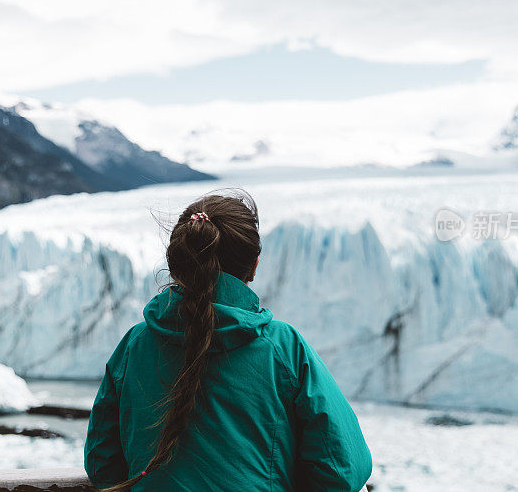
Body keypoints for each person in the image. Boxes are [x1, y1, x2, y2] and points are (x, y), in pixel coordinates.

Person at [84, 191, 372, 491]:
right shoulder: (283, 348)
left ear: (176, 262)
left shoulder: (136, 344)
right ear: (254, 265)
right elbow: (342, 469)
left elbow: (101, 462)